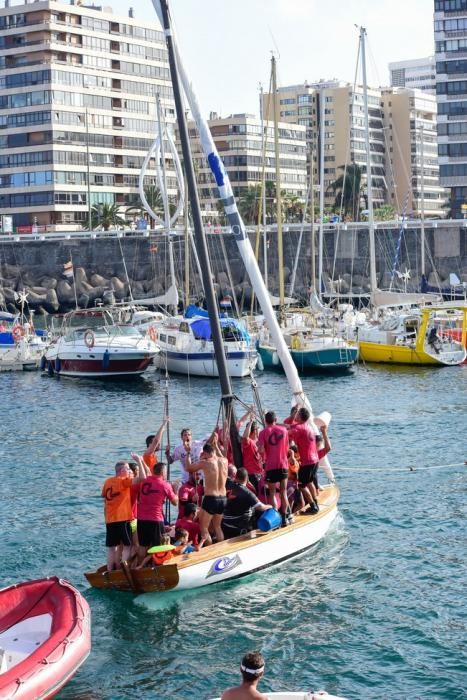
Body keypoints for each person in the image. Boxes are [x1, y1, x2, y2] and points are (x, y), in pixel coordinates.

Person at [185, 437, 228, 545]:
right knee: (217, 526)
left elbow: (189, 468)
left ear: (205, 453)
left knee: (204, 528)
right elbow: (219, 454)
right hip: (223, 498)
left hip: (211, 498)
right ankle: (221, 549)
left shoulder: (205, 463)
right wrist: (216, 444)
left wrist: (188, 453)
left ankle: (210, 550)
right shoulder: (225, 461)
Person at [133, 461, 178, 561]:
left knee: (142, 545)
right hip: (155, 519)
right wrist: (175, 491)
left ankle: (142, 566)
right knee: (158, 545)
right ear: (163, 472)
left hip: (141, 518)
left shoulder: (144, 481)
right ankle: (156, 565)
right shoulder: (165, 485)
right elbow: (175, 503)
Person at [102, 461, 136, 571]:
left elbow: (104, 500)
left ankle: (110, 570)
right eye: (128, 469)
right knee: (127, 546)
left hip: (110, 519)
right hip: (123, 519)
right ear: (122, 471)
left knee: (112, 547)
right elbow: (140, 479)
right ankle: (122, 569)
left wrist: (105, 518)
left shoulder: (107, 482)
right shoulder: (124, 482)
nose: (129, 471)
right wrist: (139, 461)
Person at [257, 410, 290, 525]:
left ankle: (276, 516)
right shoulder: (284, 430)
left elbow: (261, 450)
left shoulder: (263, 432)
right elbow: (287, 447)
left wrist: (261, 448)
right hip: (283, 464)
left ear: (266, 421)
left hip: (271, 466)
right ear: (275, 420)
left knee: (272, 493)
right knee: (283, 492)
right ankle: (285, 517)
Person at [222, 468, 272, 539]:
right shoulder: (247, 493)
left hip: (225, 524)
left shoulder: (228, 483)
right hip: (238, 527)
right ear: (246, 478)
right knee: (258, 511)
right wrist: (270, 506)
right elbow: (261, 507)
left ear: (236, 476)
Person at [289, 407, 320, 513]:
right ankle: (315, 503)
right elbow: (288, 426)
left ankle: (313, 506)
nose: (295, 416)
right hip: (315, 460)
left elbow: (287, 431)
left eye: (297, 414)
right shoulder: (308, 426)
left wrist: (273, 427)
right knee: (310, 482)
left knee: (302, 485)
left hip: (307, 462)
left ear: (301, 417)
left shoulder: (299, 427)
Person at [241, 414, 263, 493]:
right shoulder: (248, 443)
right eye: (257, 430)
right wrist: (250, 422)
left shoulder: (257, 441)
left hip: (259, 473)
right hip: (251, 474)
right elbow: (245, 437)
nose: (258, 431)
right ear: (254, 431)